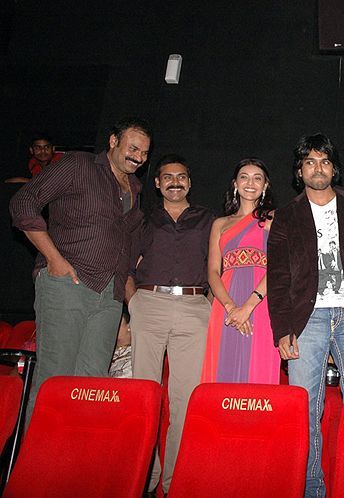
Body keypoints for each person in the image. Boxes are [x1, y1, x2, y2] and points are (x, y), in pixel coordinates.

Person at [268, 133, 344, 498]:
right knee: (305, 410)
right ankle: (312, 489)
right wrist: (283, 329)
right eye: (310, 162)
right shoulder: (287, 216)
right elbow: (278, 277)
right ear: (299, 171)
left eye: (324, 161)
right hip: (306, 320)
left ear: (334, 168)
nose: (317, 168)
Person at [10, 117, 150, 424]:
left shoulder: (135, 189)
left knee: (91, 384)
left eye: (144, 153)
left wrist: (128, 304)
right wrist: (54, 259)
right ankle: (36, 452)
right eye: (133, 148)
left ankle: (73, 451)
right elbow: (24, 202)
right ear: (113, 141)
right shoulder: (79, 165)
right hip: (68, 284)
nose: (138, 157)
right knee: (54, 378)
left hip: (109, 297)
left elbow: (126, 253)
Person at [128, 154, 214, 496]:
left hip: (194, 307)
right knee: (144, 394)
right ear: (157, 183)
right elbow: (126, 265)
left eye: (181, 177)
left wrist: (210, 307)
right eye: (168, 177)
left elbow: (218, 267)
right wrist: (133, 303)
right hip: (149, 304)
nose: (175, 182)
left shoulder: (208, 219)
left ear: (189, 183)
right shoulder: (142, 218)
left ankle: (175, 481)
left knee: (186, 398)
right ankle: (144, 477)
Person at [201, 158, 279, 384]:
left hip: (261, 301)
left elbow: (278, 267)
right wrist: (231, 307)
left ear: (265, 185)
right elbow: (213, 272)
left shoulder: (273, 219)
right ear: (235, 183)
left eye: (257, 178)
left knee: (259, 368)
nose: (250, 183)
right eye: (244, 177)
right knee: (223, 366)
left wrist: (247, 307)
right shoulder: (220, 224)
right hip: (225, 302)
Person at [109, 310, 132, 379]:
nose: (112, 328)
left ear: (129, 326)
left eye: (117, 324)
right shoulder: (106, 350)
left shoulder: (136, 352)